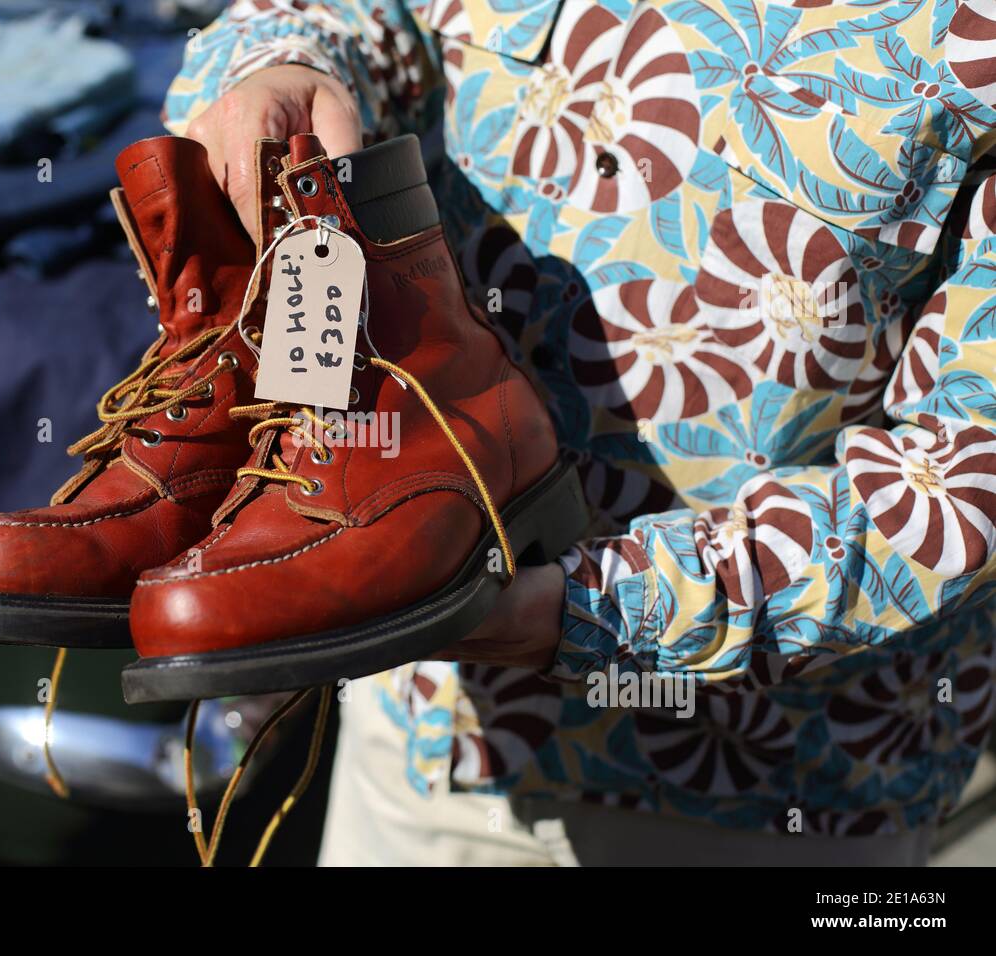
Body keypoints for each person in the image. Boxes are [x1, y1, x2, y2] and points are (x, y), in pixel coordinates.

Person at [169, 0, 996, 865]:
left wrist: (600, 613)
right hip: (433, 718)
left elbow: (964, 480)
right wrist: (285, 64)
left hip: (775, 783)